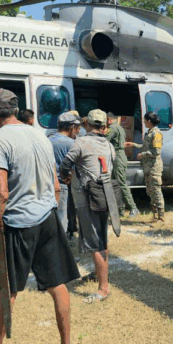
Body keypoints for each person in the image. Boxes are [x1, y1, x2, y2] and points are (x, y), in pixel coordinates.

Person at [0, 89, 80, 344]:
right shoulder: (39, 134)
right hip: (47, 219)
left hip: (17, 225)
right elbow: (56, 186)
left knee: (6, 295)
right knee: (58, 286)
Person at [59, 109, 118, 303]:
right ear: (104, 127)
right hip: (106, 196)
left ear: (87, 125)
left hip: (88, 198)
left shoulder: (81, 142)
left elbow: (65, 164)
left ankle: (103, 288)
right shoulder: (109, 145)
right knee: (102, 240)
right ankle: (99, 276)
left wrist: (66, 177)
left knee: (95, 244)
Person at [125, 112, 165, 224]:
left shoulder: (156, 133)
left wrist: (143, 154)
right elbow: (145, 146)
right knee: (150, 191)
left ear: (150, 121)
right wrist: (134, 145)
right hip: (148, 168)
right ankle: (155, 216)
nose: (144, 122)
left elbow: (156, 151)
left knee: (156, 191)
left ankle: (161, 217)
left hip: (154, 168)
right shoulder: (149, 133)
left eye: (145, 120)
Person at [49, 112, 81, 235]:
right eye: (77, 128)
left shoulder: (49, 139)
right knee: (62, 217)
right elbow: (73, 169)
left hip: (48, 184)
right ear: (72, 127)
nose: (78, 131)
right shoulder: (71, 143)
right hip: (62, 184)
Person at [106, 112, 139, 217]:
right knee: (115, 184)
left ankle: (133, 207)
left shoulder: (113, 128)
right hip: (118, 155)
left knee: (121, 183)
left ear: (109, 119)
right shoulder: (119, 127)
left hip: (118, 156)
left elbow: (105, 139)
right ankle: (120, 209)